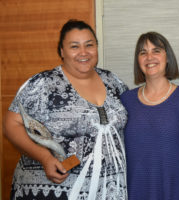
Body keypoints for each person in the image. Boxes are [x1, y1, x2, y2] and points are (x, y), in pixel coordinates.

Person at [4, 19, 128, 200]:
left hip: (108, 190)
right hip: (54, 190)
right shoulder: (43, 84)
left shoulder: (113, 81)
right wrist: (45, 158)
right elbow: (10, 125)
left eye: (89, 45)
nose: (83, 52)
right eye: (74, 46)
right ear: (62, 51)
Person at [121, 31, 179, 200]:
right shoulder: (125, 101)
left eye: (156, 51)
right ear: (138, 61)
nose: (149, 57)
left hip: (175, 192)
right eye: (143, 52)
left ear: (168, 57)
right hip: (135, 192)